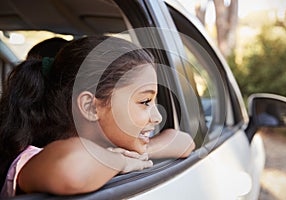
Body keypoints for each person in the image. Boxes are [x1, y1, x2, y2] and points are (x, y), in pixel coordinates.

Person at [0, 35, 195, 197]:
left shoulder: (113, 142)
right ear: (90, 107)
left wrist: (142, 152)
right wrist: (122, 161)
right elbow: (71, 167)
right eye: (145, 102)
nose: (157, 117)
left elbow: (184, 142)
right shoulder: (34, 160)